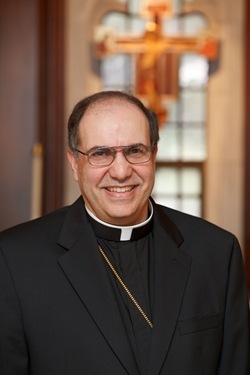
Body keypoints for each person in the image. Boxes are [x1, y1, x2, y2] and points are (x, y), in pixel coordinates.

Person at [0, 90, 249, 375]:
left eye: (135, 151)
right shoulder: (14, 261)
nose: (120, 171)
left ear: (154, 154)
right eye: (100, 153)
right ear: (74, 163)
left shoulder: (217, 252)